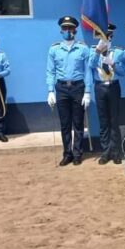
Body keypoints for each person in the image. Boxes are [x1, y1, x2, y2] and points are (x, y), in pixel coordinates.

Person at [46, 16, 92, 166]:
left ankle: (78, 153)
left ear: (75, 30)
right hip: (61, 88)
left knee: (78, 123)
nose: (67, 31)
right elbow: (50, 71)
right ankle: (68, 154)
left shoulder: (83, 48)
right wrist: (50, 91)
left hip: (78, 87)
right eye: (65, 28)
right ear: (61, 30)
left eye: (70, 28)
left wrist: (88, 92)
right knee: (65, 124)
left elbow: (87, 72)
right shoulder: (54, 49)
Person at [89, 24, 125, 166]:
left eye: (109, 36)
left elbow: (123, 72)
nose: (107, 38)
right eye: (104, 36)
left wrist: (114, 65)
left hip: (113, 87)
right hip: (100, 87)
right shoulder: (93, 50)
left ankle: (116, 152)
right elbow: (91, 65)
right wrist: (98, 51)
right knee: (103, 120)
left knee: (114, 120)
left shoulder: (117, 52)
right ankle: (106, 152)